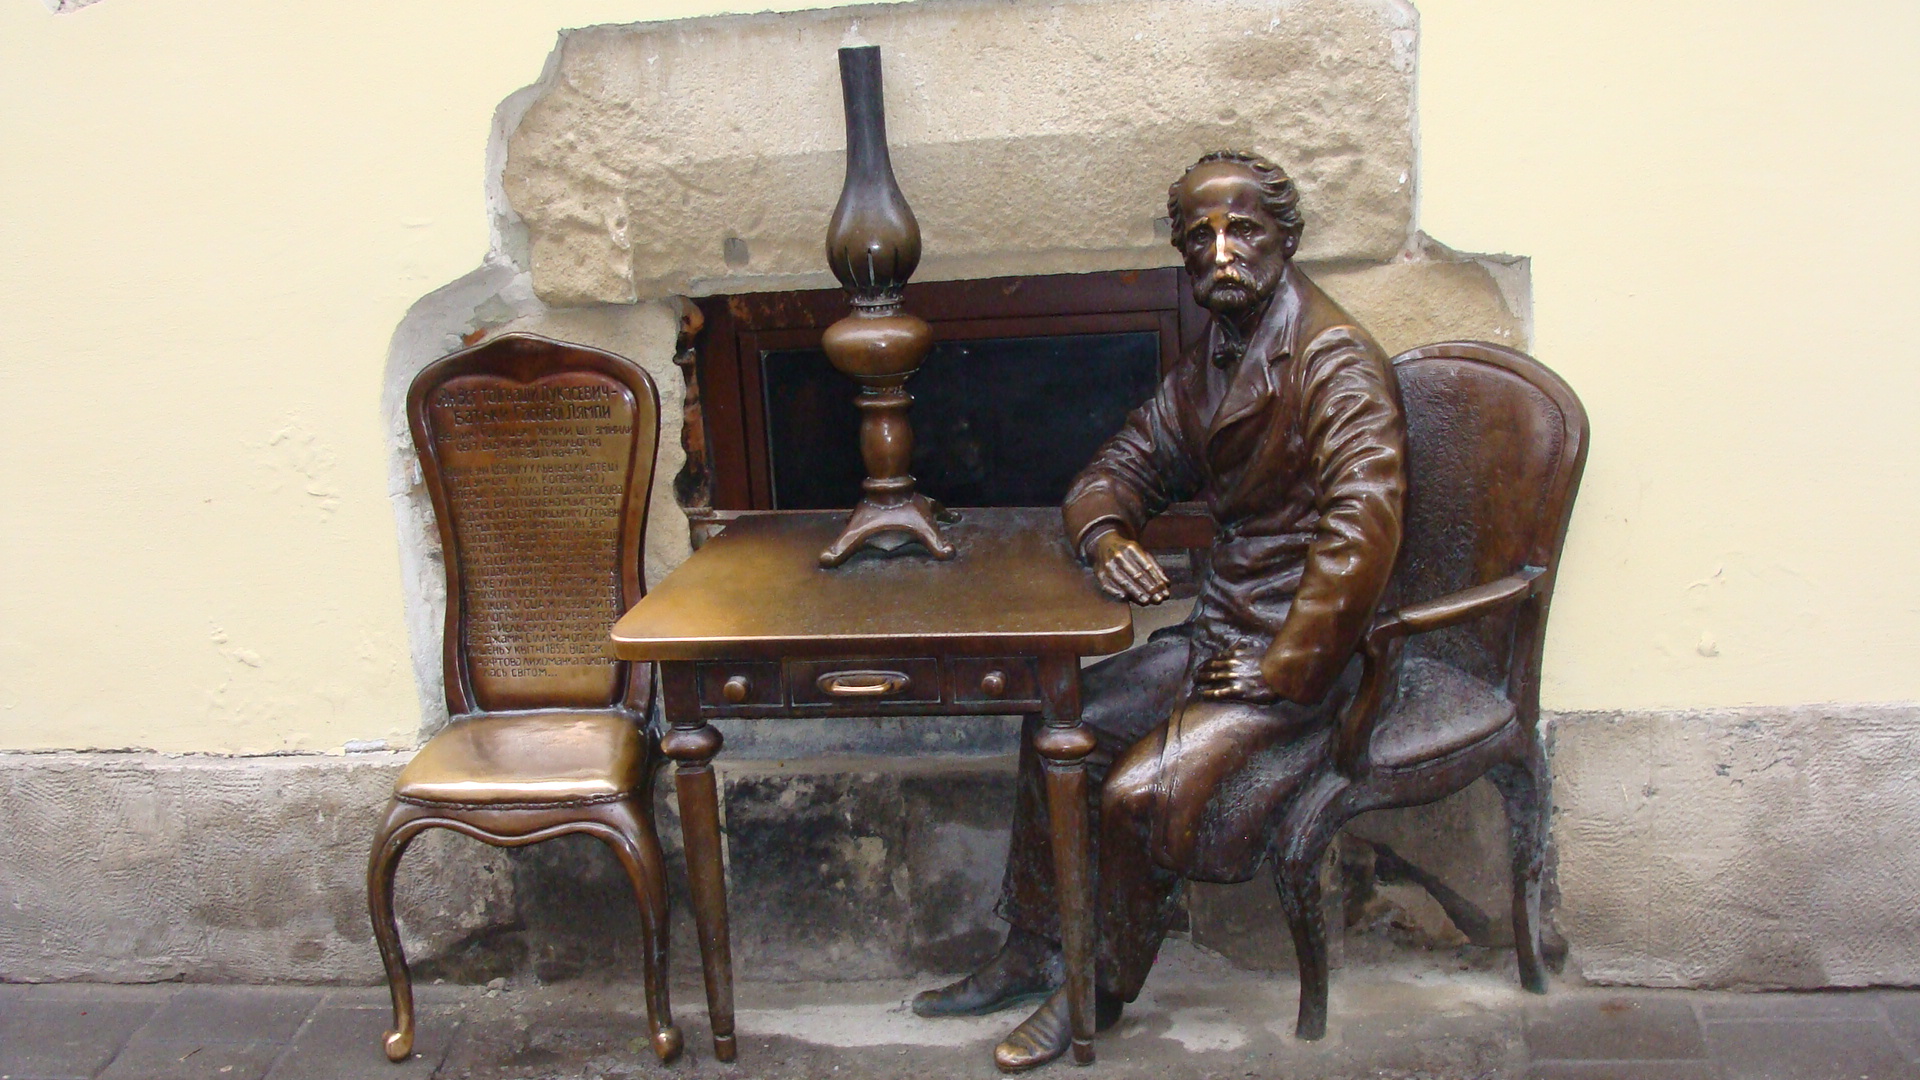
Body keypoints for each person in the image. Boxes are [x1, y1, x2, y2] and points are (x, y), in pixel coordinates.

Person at [911, 150, 1409, 1071]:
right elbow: (1117, 468)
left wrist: (1284, 666)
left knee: (1136, 794)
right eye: (1198, 238)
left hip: (1298, 661)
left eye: (1243, 230)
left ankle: (1098, 989)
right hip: (1219, 636)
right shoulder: (1212, 361)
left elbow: (1364, 529)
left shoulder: (1331, 358)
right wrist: (1107, 535)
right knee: (1057, 724)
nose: (1220, 252)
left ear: (1287, 239)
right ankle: (1036, 944)